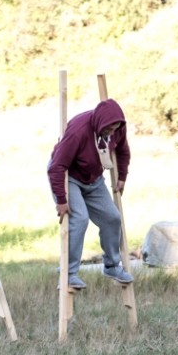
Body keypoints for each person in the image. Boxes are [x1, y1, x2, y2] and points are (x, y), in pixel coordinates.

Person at [47, 98, 133, 289]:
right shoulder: (79, 131)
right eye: (109, 130)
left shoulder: (117, 127)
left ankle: (111, 265)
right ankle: (69, 274)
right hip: (69, 176)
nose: (112, 133)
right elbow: (57, 167)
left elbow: (123, 151)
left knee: (112, 217)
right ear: (101, 123)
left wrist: (122, 176)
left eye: (115, 129)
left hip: (93, 178)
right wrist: (61, 200)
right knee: (80, 218)